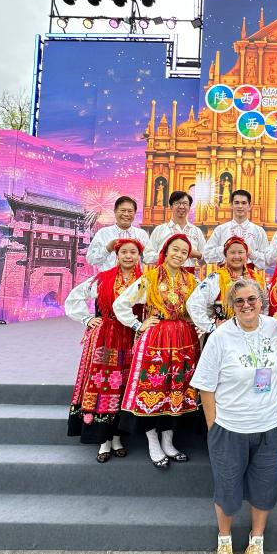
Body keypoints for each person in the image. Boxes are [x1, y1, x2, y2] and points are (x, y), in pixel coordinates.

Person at [190, 278, 277, 554]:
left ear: (261, 301)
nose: (246, 305)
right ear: (231, 305)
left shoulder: (275, 327)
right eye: (239, 301)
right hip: (230, 427)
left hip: (270, 425)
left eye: (252, 299)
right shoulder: (220, 336)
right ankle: (225, 543)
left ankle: (256, 542)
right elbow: (205, 385)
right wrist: (213, 426)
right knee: (227, 488)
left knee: (265, 487)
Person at [113, 234, 200, 468]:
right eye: (175, 249)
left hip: (183, 340)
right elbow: (121, 303)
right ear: (166, 250)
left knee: (175, 389)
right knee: (152, 388)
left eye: (184, 251)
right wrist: (137, 324)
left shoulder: (192, 280)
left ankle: (168, 442)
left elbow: (202, 307)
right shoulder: (149, 278)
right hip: (156, 339)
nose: (179, 254)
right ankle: (153, 443)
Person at [64, 238, 144, 462]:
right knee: (105, 384)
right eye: (124, 252)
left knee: (124, 385)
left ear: (139, 256)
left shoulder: (144, 280)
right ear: (117, 255)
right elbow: (74, 297)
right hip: (106, 337)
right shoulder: (102, 278)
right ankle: (103, 439)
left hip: (131, 337)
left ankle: (117, 437)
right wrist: (87, 318)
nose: (128, 256)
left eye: (133, 252)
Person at [187, 236, 267, 334]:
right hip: (224, 334)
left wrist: (262, 324)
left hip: (253, 333)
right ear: (225, 256)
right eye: (232, 252)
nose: (237, 256)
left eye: (240, 252)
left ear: (246, 255)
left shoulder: (257, 279)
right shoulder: (215, 278)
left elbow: (265, 305)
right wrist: (211, 326)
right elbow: (194, 304)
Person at [203, 189, 271, 270]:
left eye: (244, 203)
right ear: (231, 205)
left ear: (249, 206)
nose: (240, 206)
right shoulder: (220, 229)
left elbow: (267, 261)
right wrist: (225, 248)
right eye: (236, 203)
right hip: (224, 274)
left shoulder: (258, 231)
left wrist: (251, 253)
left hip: (249, 275)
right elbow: (207, 255)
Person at [144, 190, 206, 269]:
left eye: (185, 203)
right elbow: (147, 257)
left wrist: (197, 254)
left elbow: (206, 258)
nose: (181, 206)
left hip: (189, 274)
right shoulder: (160, 230)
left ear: (189, 207)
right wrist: (166, 255)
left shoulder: (196, 231)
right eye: (177, 203)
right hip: (164, 273)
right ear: (171, 206)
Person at [86, 196, 151, 270]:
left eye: (130, 211)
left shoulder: (141, 234)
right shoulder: (103, 233)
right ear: (115, 211)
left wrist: (142, 251)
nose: (126, 214)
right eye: (123, 210)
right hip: (108, 276)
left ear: (135, 213)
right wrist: (108, 249)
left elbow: (150, 260)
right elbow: (91, 259)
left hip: (134, 277)